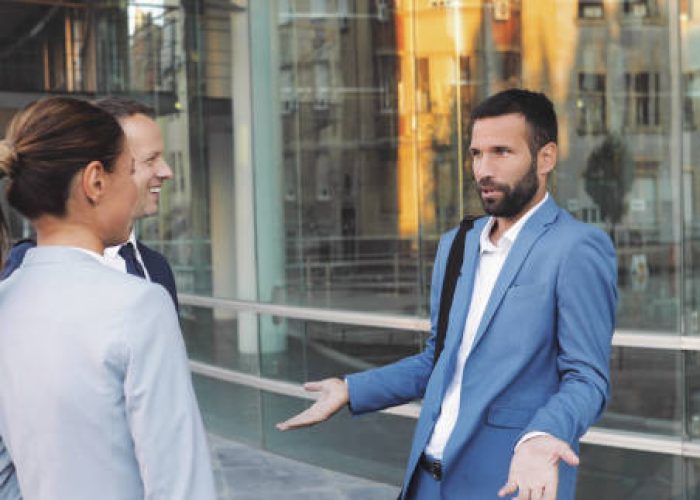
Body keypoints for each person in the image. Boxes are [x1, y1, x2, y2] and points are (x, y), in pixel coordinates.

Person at [277, 89, 618, 499]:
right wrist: (352, 389)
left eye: (501, 152)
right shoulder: (457, 244)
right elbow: (437, 360)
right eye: (476, 154)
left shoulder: (576, 248)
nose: (483, 169)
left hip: (508, 484)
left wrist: (543, 435)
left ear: (545, 158)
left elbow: (587, 378)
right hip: (425, 479)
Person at [0, 97, 215, 499]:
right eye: (130, 170)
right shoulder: (139, 306)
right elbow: (181, 485)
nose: (136, 189)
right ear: (96, 181)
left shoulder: (6, 299)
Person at [0, 97, 178, 310]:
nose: (167, 172)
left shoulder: (157, 267)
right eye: (149, 160)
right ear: (96, 178)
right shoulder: (22, 270)